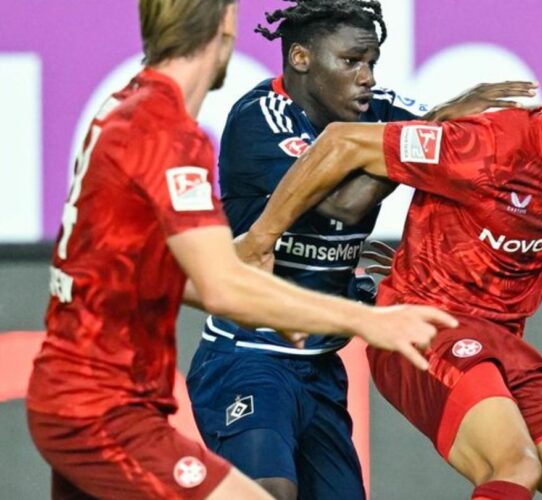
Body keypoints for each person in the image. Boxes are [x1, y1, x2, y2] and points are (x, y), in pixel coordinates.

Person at [25, 1, 457, 498]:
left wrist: (277, 283)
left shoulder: (122, 107)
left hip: (89, 393)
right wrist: (368, 320)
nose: (364, 77)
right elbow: (223, 287)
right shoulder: (167, 132)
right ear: (224, 26)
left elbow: (173, 274)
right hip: (101, 406)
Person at [237, 46, 542, 500]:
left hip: (504, 342)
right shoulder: (485, 147)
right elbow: (341, 142)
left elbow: (487, 233)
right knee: (514, 465)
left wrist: (420, 255)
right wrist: (259, 239)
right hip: (425, 330)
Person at [185, 1, 538, 498]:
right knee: (269, 494)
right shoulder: (259, 117)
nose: (367, 77)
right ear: (302, 58)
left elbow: (451, 143)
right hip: (247, 355)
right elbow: (338, 205)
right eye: (351, 62)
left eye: (371, 62)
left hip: (322, 365)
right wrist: (430, 128)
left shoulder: (379, 108)